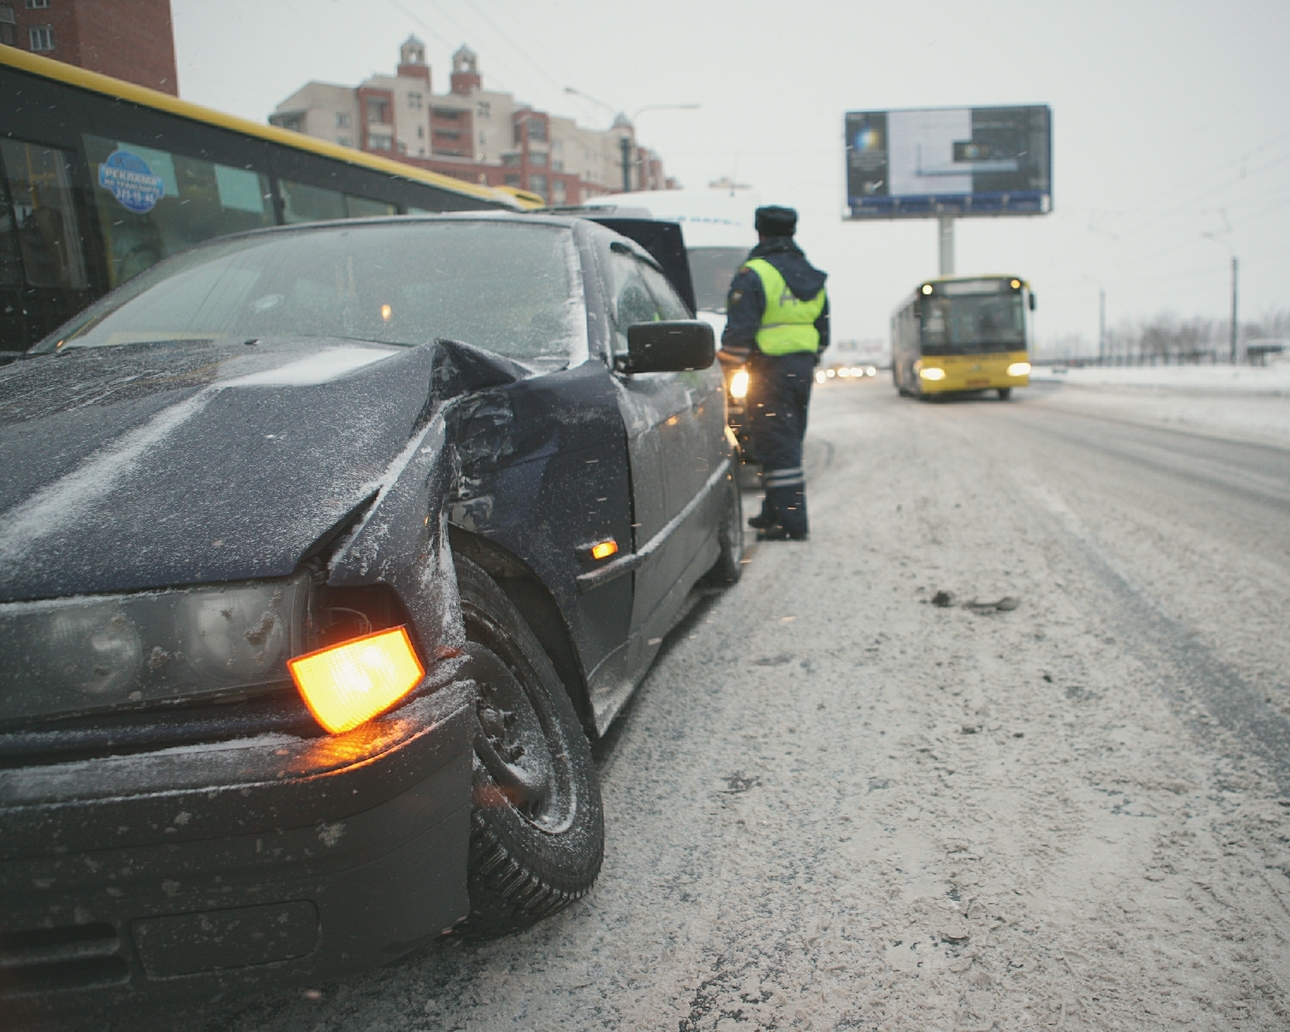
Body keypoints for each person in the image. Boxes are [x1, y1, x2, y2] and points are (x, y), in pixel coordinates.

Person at [719, 205, 829, 541]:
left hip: (768, 370)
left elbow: (739, 335)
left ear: (760, 232)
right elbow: (822, 334)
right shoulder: (811, 275)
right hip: (801, 369)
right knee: (788, 439)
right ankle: (774, 510)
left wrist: (720, 367)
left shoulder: (754, 274)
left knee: (775, 445)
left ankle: (791, 523)